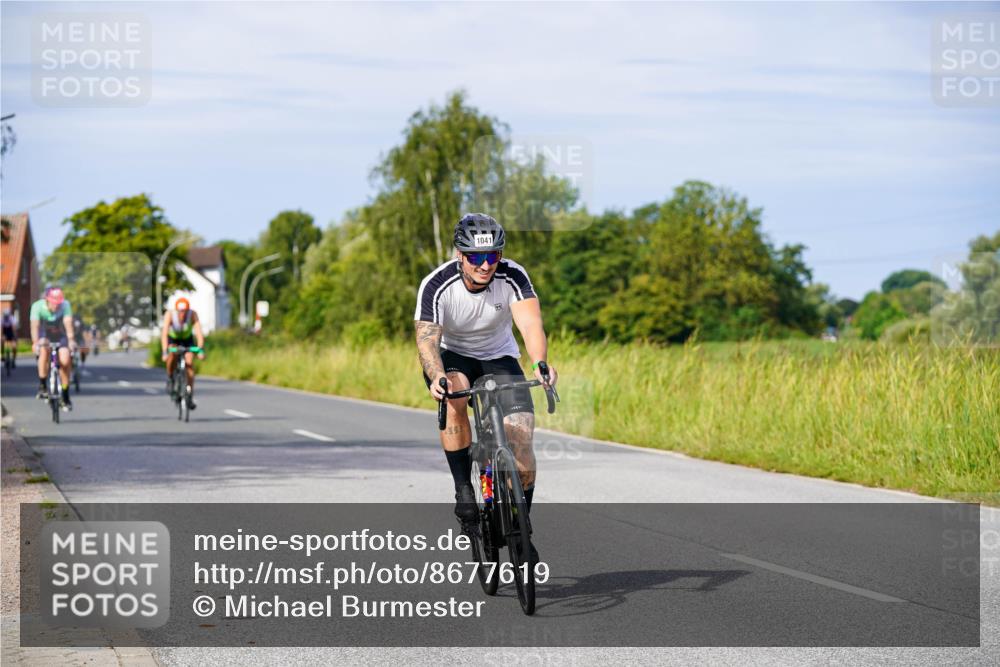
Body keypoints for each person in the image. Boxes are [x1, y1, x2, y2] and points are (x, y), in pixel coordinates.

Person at [414, 213, 558, 544]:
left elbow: (530, 324)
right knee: (456, 396)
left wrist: (540, 363)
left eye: (492, 256)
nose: (485, 265)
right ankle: (463, 488)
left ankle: (520, 529)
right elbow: (427, 341)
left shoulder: (512, 275)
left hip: (499, 356)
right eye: (476, 257)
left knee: (521, 432)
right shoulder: (436, 284)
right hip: (453, 356)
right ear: (460, 255)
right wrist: (437, 376)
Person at [29, 286, 77, 410]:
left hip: (60, 334)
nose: (56, 306)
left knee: (65, 360)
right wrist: (35, 342)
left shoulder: (65, 305)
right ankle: (43, 386)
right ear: (47, 300)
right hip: (44, 334)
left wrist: (71, 340)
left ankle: (65, 395)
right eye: (53, 303)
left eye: (58, 303)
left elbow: (68, 323)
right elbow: (35, 326)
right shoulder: (37, 306)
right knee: (44, 351)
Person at [160, 297, 205, 410]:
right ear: (176, 310)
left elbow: (199, 333)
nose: (182, 314)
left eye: (184, 311)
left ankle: (189, 394)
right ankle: (171, 377)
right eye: (180, 311)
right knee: (172, 355)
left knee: (189, 362)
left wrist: (200, 350)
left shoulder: (192, 314)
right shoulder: (170, 314)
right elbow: (164, 333)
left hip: (187, 340)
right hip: (173, 339)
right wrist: (165, 351)